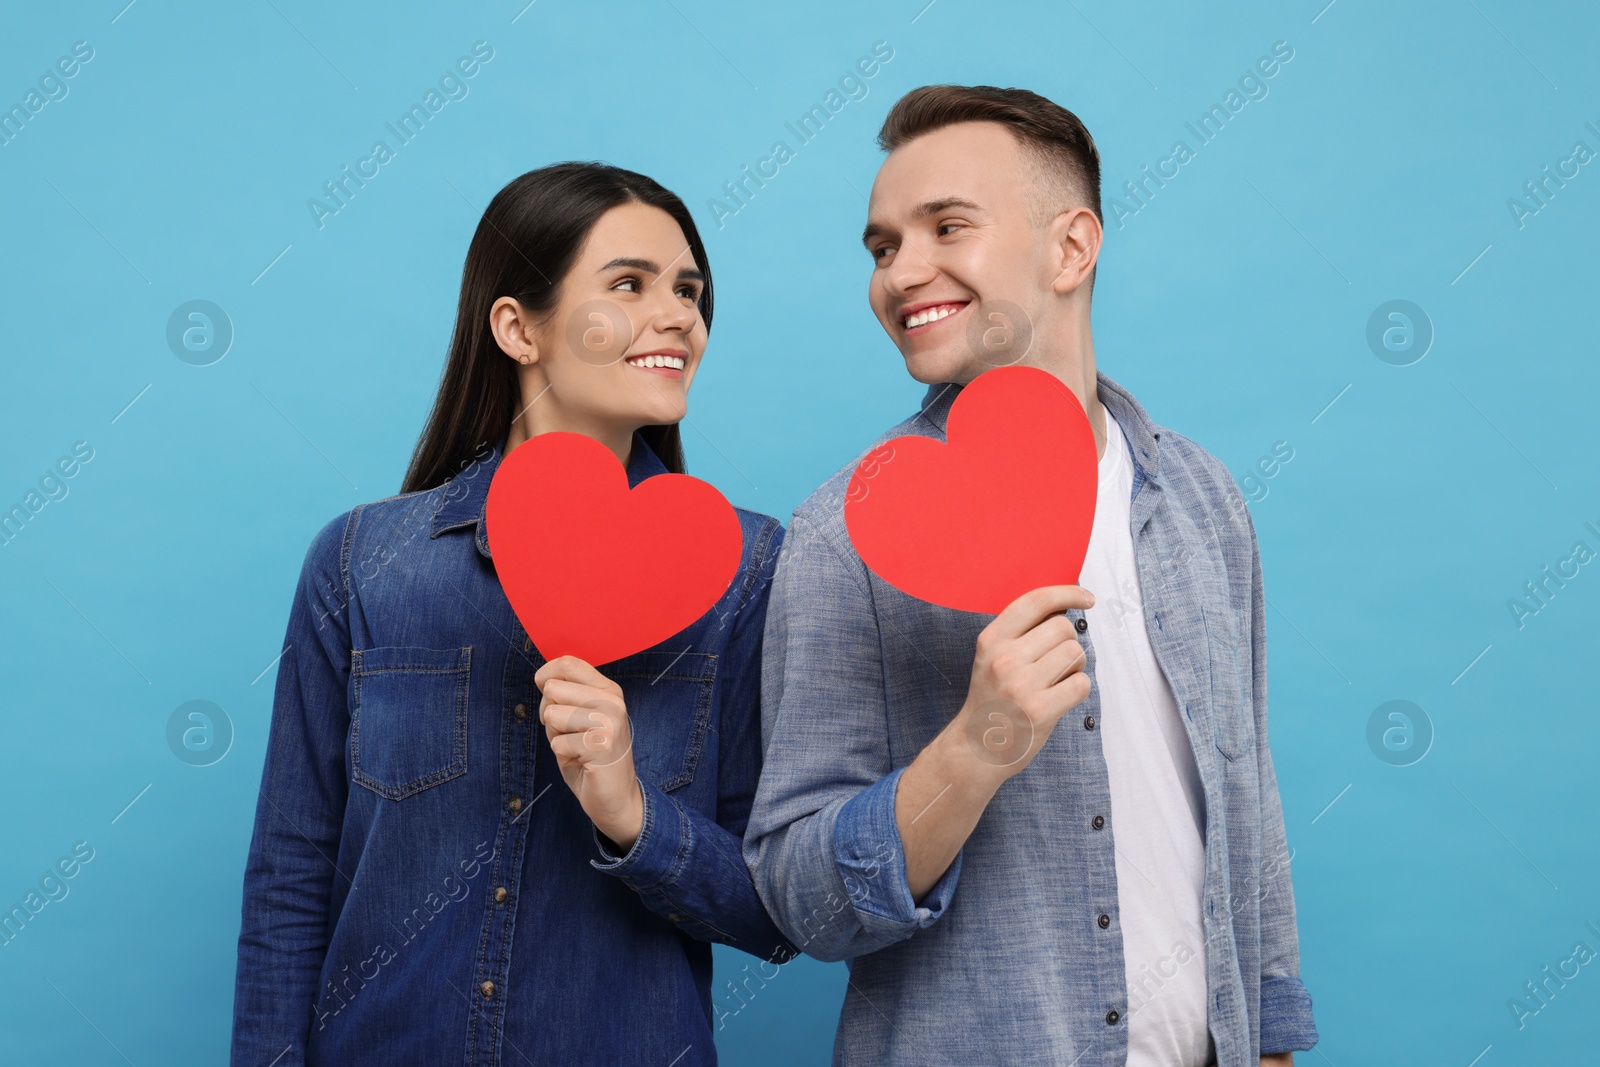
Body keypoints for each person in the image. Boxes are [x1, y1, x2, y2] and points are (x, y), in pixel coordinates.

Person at [744, 85, 1318, 1066]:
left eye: (945, 226)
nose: (899, 273)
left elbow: (1244, 801)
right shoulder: (844, 534)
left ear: (1071, 247)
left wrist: (1269, 1039)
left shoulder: (1203, 498)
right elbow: (798, 895)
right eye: (882, 247)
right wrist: (971, 749)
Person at [231, 162, 793, 1066]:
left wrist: (634, 814)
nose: (679, 315)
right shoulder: (360, 564)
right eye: (629, 284)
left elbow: (776, 911)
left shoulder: (748, 573)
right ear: (516, 326)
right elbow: (288, 879)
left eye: (689, 289)